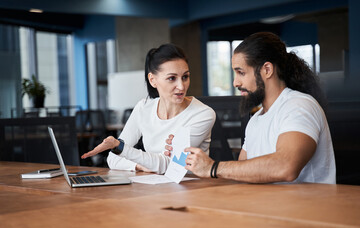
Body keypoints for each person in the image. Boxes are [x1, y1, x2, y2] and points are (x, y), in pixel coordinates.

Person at [165, 32, 336, 184]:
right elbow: (242, 171)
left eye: (241, 72)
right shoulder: (256, 120)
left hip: (306, 213)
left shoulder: (299, 106)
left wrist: (213, 168)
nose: (235, 82)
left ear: (267, 70)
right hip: (268, 210)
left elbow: (286, 166)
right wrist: (190, 159)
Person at [81, 43, 216, 174]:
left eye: (185, 77)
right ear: (152, 80)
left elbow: (170, 165)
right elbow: (113, 159)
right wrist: (139, 166)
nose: (181, 86)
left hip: (193, 190)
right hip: (153, 187)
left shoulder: (203, 114)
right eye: (172, 78)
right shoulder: (143, 108)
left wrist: (120, 147)